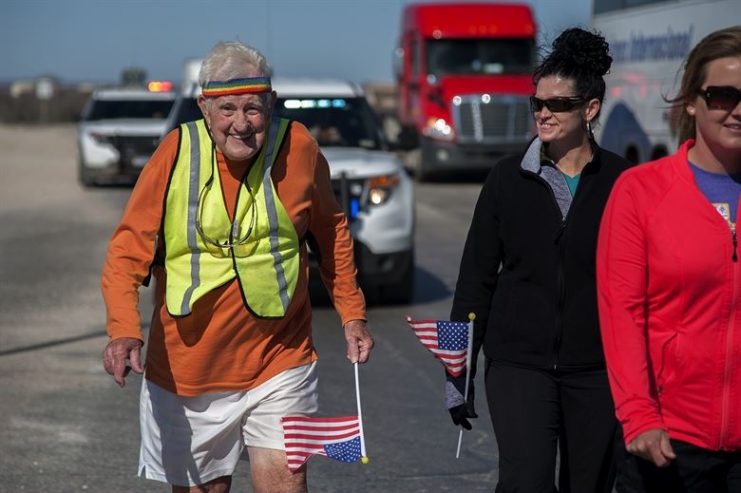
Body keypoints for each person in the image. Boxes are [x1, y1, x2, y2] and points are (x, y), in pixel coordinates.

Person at [100, 41, 373, 493]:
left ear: (271, 105)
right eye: (228, 108)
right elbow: (128, 248)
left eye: (253, 108)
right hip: (189, 370)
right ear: (205, 109)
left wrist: (352, 312)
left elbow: (332, 232)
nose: (241, 124)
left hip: (279, 360)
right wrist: (123, 328)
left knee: (285, 480)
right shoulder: (176, 151)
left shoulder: (299, 146)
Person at [448, 28, 631, 492]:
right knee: (524, 481)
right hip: (517, 364)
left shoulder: (625, 183)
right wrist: (457, 372)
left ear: (589, 109)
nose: (544, 113)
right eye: (537, 103)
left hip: (598, 370)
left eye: (558, 104)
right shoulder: (506, 180)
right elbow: (474, 280)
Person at [597, 26, 741, 492]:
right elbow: (622, 313)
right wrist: (638, 415)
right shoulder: (640, 191)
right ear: (693, 102)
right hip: (668, 442)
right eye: (723, 95)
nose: (737, 110)